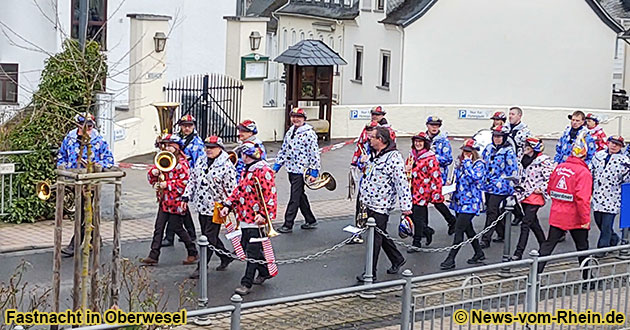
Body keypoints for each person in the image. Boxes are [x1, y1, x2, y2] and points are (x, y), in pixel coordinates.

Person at [356, 126, 411, 282]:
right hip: (369, 202)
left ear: (380, 139)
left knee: (374, 239)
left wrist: (406, 208)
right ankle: (397, 258)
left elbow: (401, 183)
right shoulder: (374, 154)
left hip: (382, 205)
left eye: (372, 137)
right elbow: (368, 173)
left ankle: (370, 273)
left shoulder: (394, 158)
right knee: (380, 234)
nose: (369, 139)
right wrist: (363, 163)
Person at [220, 145, 277, 295]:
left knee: (252, 252)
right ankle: (265, 271)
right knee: (248, 248)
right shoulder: (247, 169)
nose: (241, 157)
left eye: (243, 154)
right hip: (245, 215)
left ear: (247, 156)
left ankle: (246, 283)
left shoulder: (263, 171)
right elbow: (239, 190)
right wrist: (228, 204)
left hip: (257, 219)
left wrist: (265, 215)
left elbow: (270, 195)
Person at [58, 113, 114, 257]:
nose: (89, 129)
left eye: (90, 126)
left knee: (84, 213)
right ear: (79, 125)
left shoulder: (99, 140)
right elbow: (61, 156)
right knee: (85, 213)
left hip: (91, 183)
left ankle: (74, 244)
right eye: (86, 126)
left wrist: (98, 165)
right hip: (73, 181)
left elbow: (109, 160)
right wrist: (63, 168)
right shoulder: (69, 139)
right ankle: (97, 238)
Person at [537, 138, 592, 278]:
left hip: (557, 213)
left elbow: (550, 189)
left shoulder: (560, 167)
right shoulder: (583, 172)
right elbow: (583, 199)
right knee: (582, 248)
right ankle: (587, 278)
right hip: (575, 216)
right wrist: (585, 219)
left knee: (548, 246)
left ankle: (534, 276)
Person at [184, 136, 238, 279]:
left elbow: (232, 189)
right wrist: (186, 194)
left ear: (219, 148)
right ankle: (225, 256)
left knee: (208, 237)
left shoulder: (227, 166)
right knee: (207, 235)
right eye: (207, 147)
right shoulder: (201, 160)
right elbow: (193, 178)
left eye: (212, 147)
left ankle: (201, 267)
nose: (208, 150)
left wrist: (228, 205)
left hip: (218, 207)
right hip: (202, 204)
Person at [141, 134, 198, 265]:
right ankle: (153, 255)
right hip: (164, 200)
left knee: (177, 228)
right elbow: (153, 177)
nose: (166, 148)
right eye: (165, 145)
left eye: (170, 146)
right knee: (158, 228)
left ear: (177, 147)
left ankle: (192, 251)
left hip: (177, 202)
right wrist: (153, 174)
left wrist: (168, 184)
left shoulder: (183, 163)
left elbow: (185, 183)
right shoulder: (164, 158)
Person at [440, 139, 486, 270]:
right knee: (468, 229)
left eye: (468, 151)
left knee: (459, 229)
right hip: (460, 201)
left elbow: (475, 178)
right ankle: (478, 252)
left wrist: (467, 163)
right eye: (464, 151)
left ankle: (451, 259)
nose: (465, 154)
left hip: (470, 203)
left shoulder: (479, 164)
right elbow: (457, 178)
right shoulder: (460, 163)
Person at [274, 108, 321, 233]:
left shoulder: (309, 134)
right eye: (293, 116)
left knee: (294, 197)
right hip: (291, 169)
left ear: (304, 118)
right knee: (300, 196)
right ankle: (310, 220)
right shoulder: (290, 131)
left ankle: (288, 224)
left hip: (302, 171)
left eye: (299, 117)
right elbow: (284, 150)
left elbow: (314, 154)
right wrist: (276, 167)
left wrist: (314, 172)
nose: (296, 119)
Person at [162, 114, 202, 247]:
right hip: (173, 175)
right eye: (184, 126)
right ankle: (188, 233)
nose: (186, 128)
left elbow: (199, 163)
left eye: (189, 126)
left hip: (187, 177)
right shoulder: (177, 139)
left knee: (177, 207)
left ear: (193, 126)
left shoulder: (198, 143)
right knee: (179, 207)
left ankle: (172, 236)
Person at [512, 137, 555, 260]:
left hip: (535, 196)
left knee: (525, 224)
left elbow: (550, 178)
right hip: (524, 194)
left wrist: (541, 188)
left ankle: (518, 253)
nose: (525, 148)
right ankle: (544, 246)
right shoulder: (522, 158)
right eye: (525, 145)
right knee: (533, 224)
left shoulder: (543, 161)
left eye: (528, 146)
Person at [590, 135, 630, 257]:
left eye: (617, 144)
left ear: (621, 147)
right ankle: (613, 239)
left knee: (606, 225)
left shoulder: (624, 162)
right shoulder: (598, 156)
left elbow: (626, 181)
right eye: (612, 143)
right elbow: (591, 172)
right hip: (597, 196)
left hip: (612, 197)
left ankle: (601, 250)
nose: (613, 146)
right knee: (599, 222)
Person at [480, 125, 519, 249]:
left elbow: (512, 171)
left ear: (504, 137)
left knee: (491, 211)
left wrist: (510, 186)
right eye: (495, 136)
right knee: (493, 211)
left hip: (501, 187)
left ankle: (486, 239)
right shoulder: (489, 148)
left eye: (499, 137)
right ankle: (502, 233)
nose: (496, 139)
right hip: (488, 185)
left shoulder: (508, 151)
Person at [405, 132, 443, 251]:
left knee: (417, 217)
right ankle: (427, 231)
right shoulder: (412, 156)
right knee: (413, 215)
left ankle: (416, 243)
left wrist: (435, 194)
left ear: (425, 143)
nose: (418, 144)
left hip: (423, 192)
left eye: (420, 141)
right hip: (412, 190)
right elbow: (406, 172)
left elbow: (435, 177)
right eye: (416, 141)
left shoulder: (430, 158)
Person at [425, 116, 457, 235]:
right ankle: (424, 228)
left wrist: (433, 157)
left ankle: (451, 220)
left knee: (437, 200)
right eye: (432, 125)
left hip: (437, 175)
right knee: (422, 201)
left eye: (437, 125)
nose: (434, 127)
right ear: (427, 125)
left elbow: (448, 159)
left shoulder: (443, 140)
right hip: (423, 175)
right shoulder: (423, 138)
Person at [350, 121, 379, 244]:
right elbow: (361, 165)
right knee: (360, 208)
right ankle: (359, 233)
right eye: (368, 131)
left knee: (376, 212)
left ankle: (377, 236)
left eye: (371, 131)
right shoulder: (365, 146)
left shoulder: (384, 146)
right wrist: (361, 162)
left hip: (378, 186)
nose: (369, 133)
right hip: (366, 183)